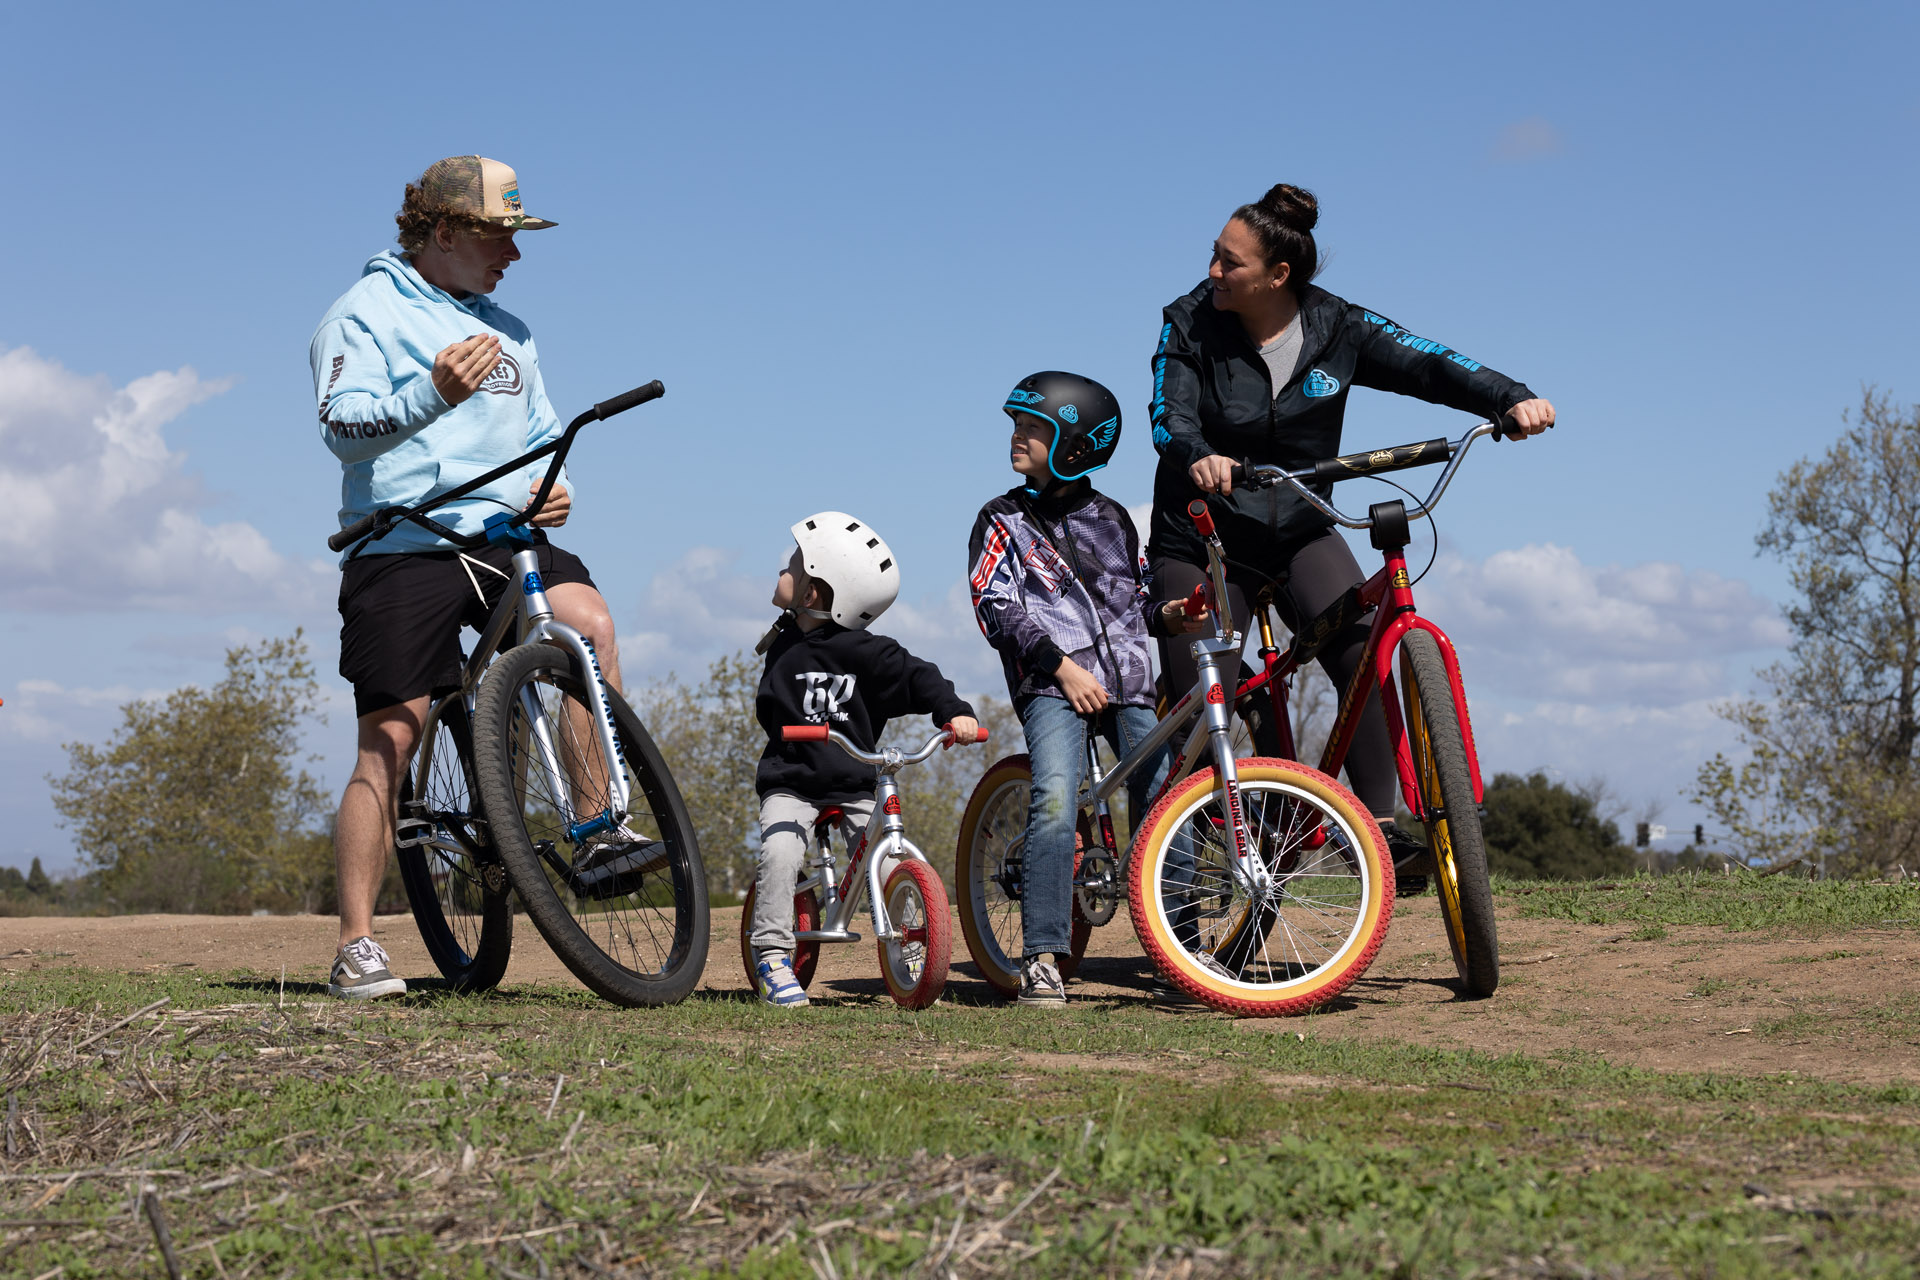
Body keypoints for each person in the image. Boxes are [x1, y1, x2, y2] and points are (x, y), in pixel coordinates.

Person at [1147, 184, 1555, 890]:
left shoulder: (1338, 326)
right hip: (1204, 534)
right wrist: (1196, 455)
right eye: (1214, 256)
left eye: (1230, 263)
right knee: (1212, 689)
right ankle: (1226, 829)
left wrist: (1508, 397)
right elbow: (1166, 413)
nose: (1213, 272)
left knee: (1362, 650)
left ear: (1279, 276)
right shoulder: (1188, 322)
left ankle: (1378, 830)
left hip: (1301, 521)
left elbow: (1430, 361)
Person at [312, 155, 631, 999]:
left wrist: (555, 488)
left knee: (587, 625)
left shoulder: (513, 331)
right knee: (391, 739)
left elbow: (544, 433)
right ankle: (356, 945)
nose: (515, 256)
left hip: (503, 537)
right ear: (445, 233)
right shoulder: (362, 313)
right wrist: (430, 395)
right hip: (402, 543)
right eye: (501, 236)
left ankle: (596, 827)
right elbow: (341, 429)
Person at [968, 373, 1208, 1006]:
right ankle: (1043, 954)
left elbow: (1135, 604)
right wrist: (1061, 669)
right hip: (1052, 687)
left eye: (1031, 428)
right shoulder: (1001, 520)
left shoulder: (1113, 520)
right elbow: (997, 609)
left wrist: (1173, 614)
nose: (1016, 438)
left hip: (1130, 686)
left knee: (1164, 802)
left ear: (1074, 445)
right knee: (1054, 799)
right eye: (1016, 426)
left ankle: (1181, 948)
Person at [749, 513, 980, 1008]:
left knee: (889, 860)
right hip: (792, 780)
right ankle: (771, 956)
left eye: (794, 564)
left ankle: (911, 953)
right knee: (782, 853)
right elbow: (769, 708)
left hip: (856, 781)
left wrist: (954, 713)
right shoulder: (785, 643)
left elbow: (922, 678)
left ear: (813, 593)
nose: (782, 569)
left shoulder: (870, 654)